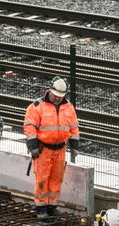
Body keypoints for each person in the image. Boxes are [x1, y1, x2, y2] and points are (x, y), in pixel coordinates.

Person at [23, 77, 80, 218]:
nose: (57, 99)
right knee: (42, 179)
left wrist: (74, 146)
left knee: (56, 179)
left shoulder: (69, 107)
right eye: (55, 96)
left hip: (60, 150)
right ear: (50, 91)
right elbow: (29, 126)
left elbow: (74, 128)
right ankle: (41, 208)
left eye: (60, 97)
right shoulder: (37, 106)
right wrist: (33, 146)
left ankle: (52, 206)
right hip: (44, 150)